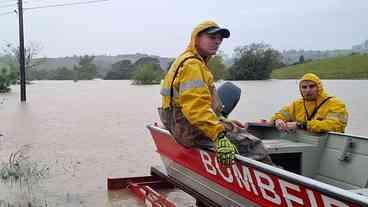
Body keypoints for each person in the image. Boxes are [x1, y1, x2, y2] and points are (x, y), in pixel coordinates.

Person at [158, 20, 272, 165]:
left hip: (180, 124)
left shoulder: (187, 60)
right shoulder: (193, 65)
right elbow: (196, 109)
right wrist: (219, 136)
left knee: (235, 128)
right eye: (212, 38)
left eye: (220, 39)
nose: (217, 42)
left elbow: (196, 105)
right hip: (190, 129)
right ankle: (278, 181)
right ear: (197, 38)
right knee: (254, 145)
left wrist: (223, 121)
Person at [271, 73, 348, 133]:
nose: (308, 90)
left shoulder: (335, 104)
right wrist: (278, 120)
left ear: (319, 87)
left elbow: (335, 126)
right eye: (304, 87)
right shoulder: (296, 104)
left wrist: (301, 125)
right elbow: (279, 115)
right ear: (300, 89)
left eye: (311, 86)